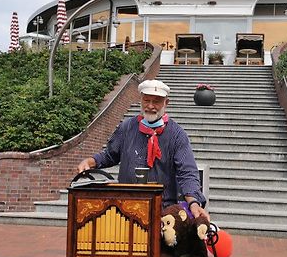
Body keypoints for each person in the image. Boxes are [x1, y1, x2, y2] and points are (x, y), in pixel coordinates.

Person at [77, 79, 209, 221]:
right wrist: (90, 162)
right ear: (141, 100)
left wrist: (194, 202)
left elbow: (187, 172)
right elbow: (110, 155)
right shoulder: (127, 127)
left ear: (166, 103)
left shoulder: (177, 135)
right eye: (146, 100)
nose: (150, 106)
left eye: (156, 101)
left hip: (163, 212)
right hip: (126, 208)